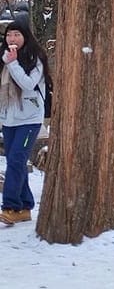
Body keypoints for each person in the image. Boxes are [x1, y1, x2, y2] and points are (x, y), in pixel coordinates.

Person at [0, 18, 49, 224]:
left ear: (25, 37)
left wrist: (13, 64)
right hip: (8, 119)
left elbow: (28, 84)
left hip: (29, 119)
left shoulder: (34, 57)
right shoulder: (3, 57)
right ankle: (25, 205)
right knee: (15, 162)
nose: (12, 38)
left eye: (17, 35)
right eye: (9, 34)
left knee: (16, 161)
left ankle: (10, 206)